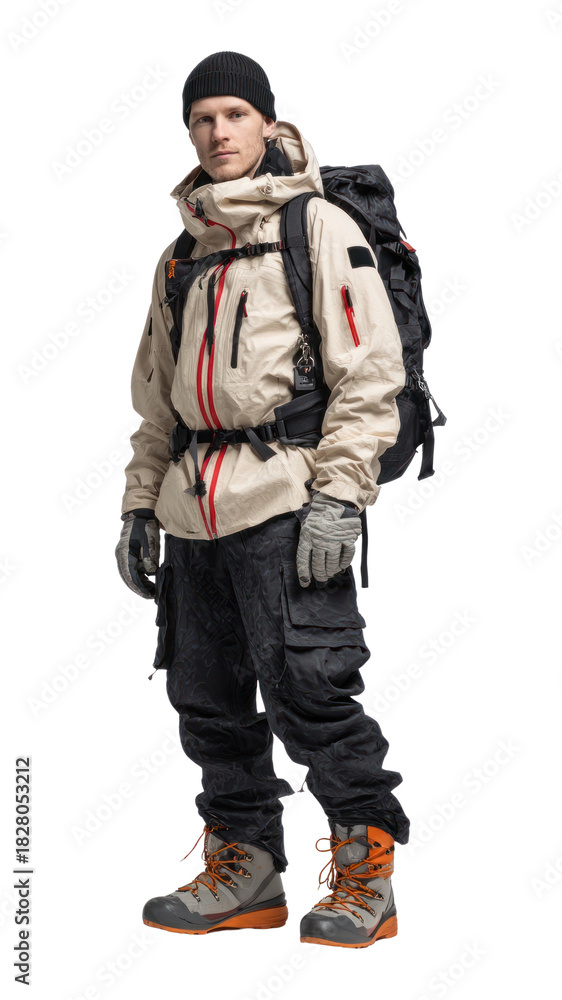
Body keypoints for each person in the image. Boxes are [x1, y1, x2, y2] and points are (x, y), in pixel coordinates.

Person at [115, 50, 410, 949]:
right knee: (206, 703)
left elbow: (371, 376)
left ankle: (366, 878)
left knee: (313, 695)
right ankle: (246, 871)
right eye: (201, 119)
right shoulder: (183, 255)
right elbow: (157, 402)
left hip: (287, 499)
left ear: (268, 124)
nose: (218, 132)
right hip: (193, 512)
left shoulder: (314, 227)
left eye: (234, 114)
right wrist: (138, 507)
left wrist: (340, 496)